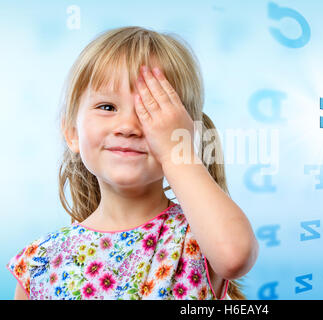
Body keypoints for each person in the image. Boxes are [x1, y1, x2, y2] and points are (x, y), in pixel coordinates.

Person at [6, 26, 258, 300]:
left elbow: (235, 257)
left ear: (186, 133)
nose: (127, 126)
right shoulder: (39, 261)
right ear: (72, 132)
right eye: (107, 107)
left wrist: (177, 153)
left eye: (150, 112)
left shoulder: (200, 238)